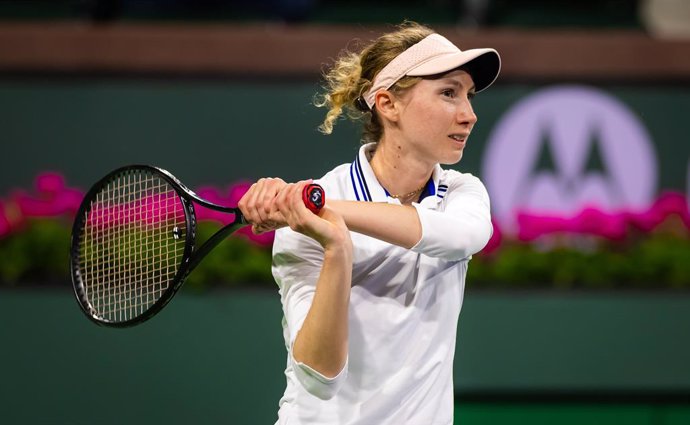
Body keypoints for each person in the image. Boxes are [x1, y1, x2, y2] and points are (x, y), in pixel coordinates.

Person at [237, 21, 501, 425]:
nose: (469, 115)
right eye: (448, 93)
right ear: (387, 104)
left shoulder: (464, 193)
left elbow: (460, 237)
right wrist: (337, 247)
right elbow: (318, 378)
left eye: (468, 96)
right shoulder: (309, 224)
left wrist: (323, 208)